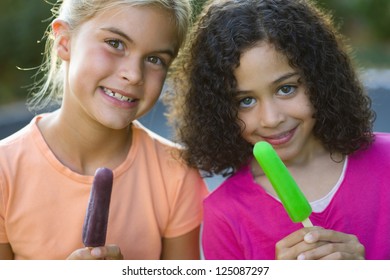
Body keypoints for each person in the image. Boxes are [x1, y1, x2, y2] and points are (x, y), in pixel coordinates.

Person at [166, 0, 390, 260]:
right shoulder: (225, 215)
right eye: (245, 101)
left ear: (320, 79)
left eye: (286, 88)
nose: (271, 119)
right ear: (219, 111)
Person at [0, 0, 208, 260]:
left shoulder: (177, 175)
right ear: (65, 41)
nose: (133, 74)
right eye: (115, 44)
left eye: (155, 59)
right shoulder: (5, 172)